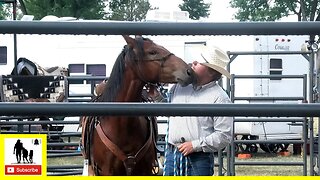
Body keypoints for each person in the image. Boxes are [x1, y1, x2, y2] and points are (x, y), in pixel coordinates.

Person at [163, 46, 234, 176]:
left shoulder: (220, 98)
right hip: (173, 154)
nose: (193, 63)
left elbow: (224, 135)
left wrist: (195, 145)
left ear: (211, 71)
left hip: (199, 157)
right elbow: (167, 110)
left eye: (199, 62)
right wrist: (155, 95)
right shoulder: (179, 86)